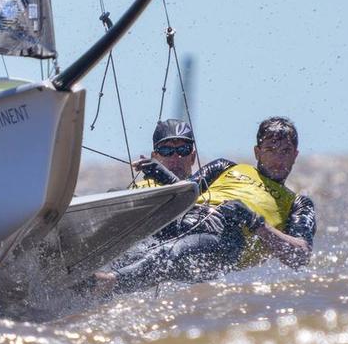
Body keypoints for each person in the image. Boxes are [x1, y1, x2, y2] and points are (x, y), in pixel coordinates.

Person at [94, 116, 317, 294]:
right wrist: (161, 173)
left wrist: (255, 221)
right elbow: (185, 191)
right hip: (188, 220)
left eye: (285, 151)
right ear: (257, 152)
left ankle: (108, 283)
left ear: (295, 155)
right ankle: (84, 279)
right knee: (135, 244)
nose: (278, 159)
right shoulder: (225, 166)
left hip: (225, 243)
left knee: (168, 252)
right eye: (270, 150)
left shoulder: (298, 203)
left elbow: (300, 256)